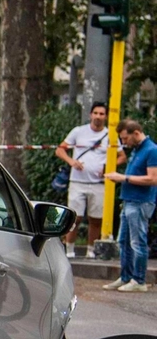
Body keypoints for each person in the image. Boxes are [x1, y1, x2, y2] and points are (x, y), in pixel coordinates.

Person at [106, 119, 157, 292]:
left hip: (140, 202)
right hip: (129, 200)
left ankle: (139, 280)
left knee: (137, 242)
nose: (124, 143)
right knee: (124, 242)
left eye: (125, 138)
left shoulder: (151, 150)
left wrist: (123, 178)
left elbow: (153, 179)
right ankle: (126, 277)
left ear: (136, 133)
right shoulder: (137, 149)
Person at [57, 102, 112, 249]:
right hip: (77, 181)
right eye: (95, 113)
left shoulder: (109, 135)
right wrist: (71, 161)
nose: (98, 117)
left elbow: (121, 156)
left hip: (98, 183)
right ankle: (69, 249)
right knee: (75, 217)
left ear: (106, 116)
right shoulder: (78, 131)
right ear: (90, 114)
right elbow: (60, 149)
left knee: (96, 219)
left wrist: (107, 167)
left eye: (101, 114)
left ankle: (91, 250)